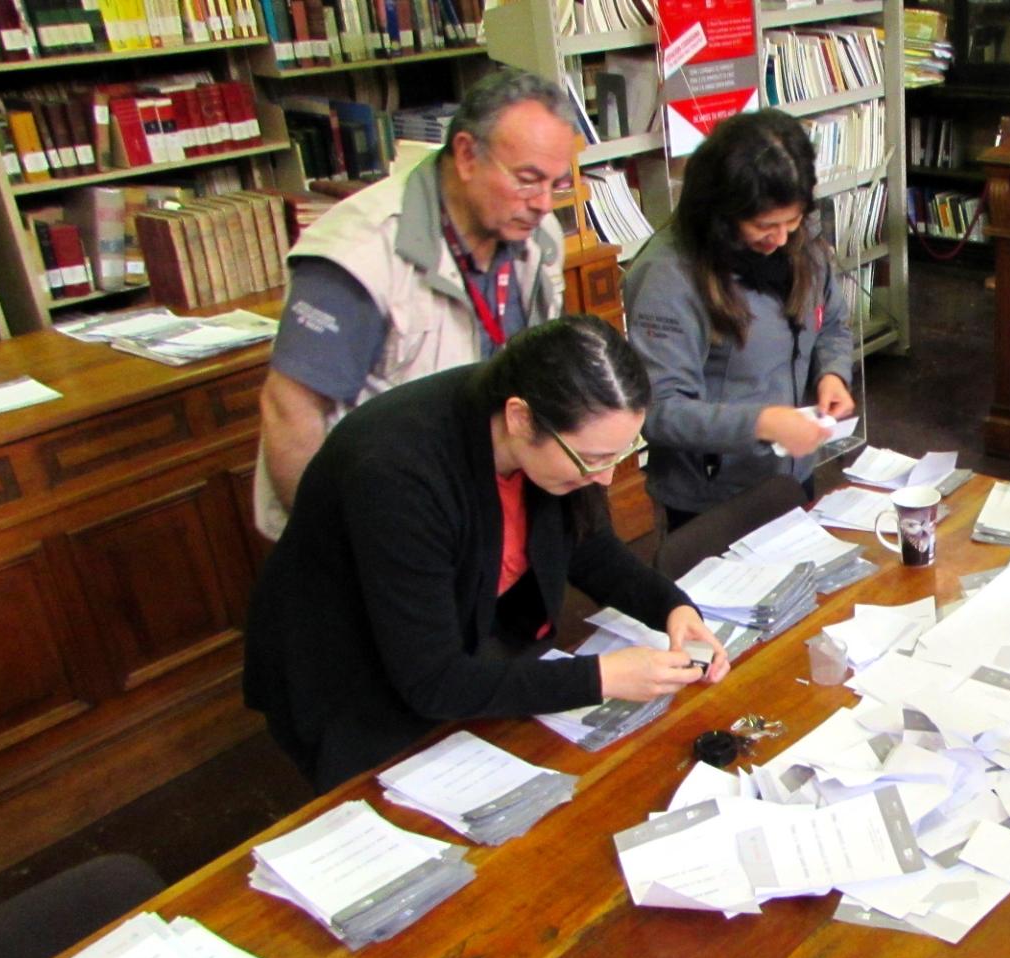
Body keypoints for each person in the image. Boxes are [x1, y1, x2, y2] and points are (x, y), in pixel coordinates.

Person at [244, 316, 731, 791]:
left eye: (619, 454)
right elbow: (433, 680)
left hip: (442, 650)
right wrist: (601, 677)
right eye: (594, 459)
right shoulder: (397, 474)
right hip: (347, 676)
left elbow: (588, 545)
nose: (606, 478)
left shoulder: (548, 428)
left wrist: (670, 606)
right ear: (521, 417)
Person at [253, 67, 584, 539]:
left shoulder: (537, 236)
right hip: (376, 517)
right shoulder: (357, 254)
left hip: (469, 505)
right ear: (467, 155)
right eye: (529, 180)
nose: (544, 204)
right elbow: (290, 411)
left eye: (556, 183)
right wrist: (334, 541)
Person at [625, 109, 856, 536]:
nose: (781, 239)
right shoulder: (669, 275)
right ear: (722, 211)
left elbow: (832, 324)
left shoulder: (801, 244)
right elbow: (657, 410)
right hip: (710, 497)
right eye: (764, 226)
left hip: (790, 474)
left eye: (792, 221)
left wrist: (833, 374)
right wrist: (763, 423)